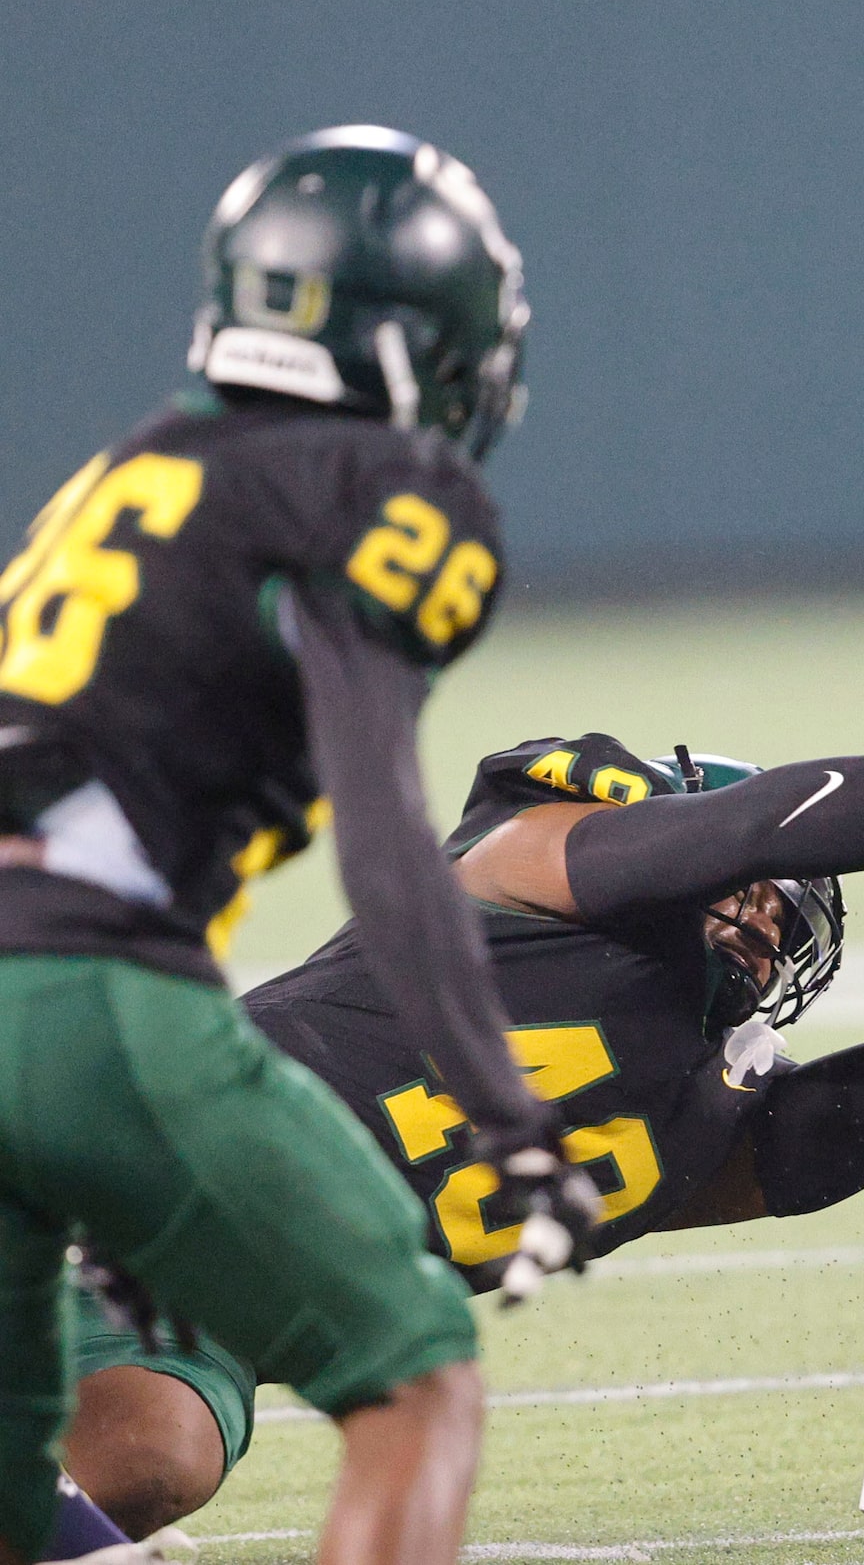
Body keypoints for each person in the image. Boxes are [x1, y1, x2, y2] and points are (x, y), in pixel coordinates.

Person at [56, 724, 864, 1538]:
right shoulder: (520, 873)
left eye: (785, 914)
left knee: (156, 1466)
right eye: (754, 887)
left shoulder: (695, 1117)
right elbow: (761, 818)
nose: (767, 919)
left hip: (205, 1304)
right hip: (124, 1140)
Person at [0, 128, 601, 1565]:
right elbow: (386, 818)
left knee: (24, 1495)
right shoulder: (382, 489)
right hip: (79, 988)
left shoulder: (128, 467)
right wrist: (503, 1109)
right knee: (412, 1366)